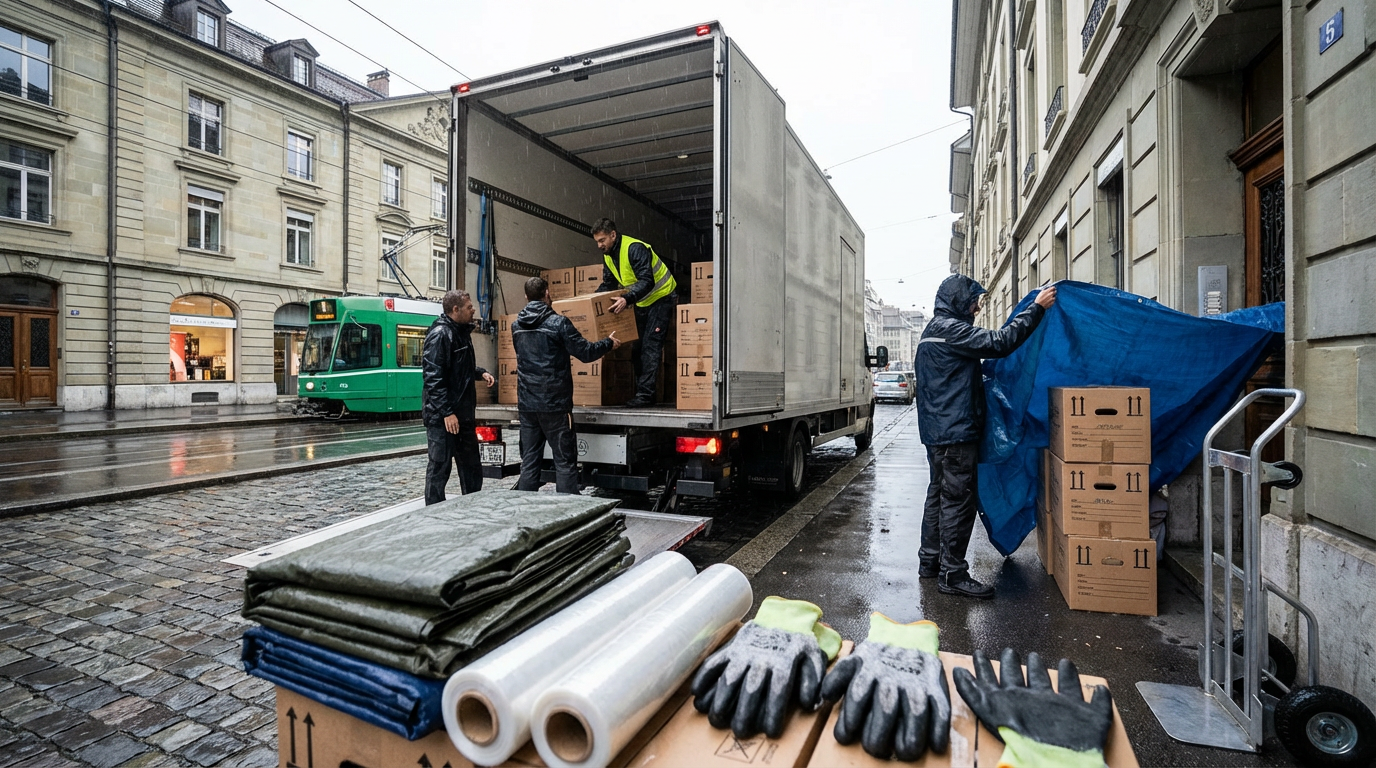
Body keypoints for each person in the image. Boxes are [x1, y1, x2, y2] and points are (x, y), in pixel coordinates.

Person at [916, 276, 1057, 599]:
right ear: (958, 302)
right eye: (974, 302)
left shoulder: (932, 332)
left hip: (938, 432)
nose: (978, 308)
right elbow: (1001, 342)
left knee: (938, 495)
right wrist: (1035, 309)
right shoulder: (951, 330)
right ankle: (952, 574)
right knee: (957, 501)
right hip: (955, 432)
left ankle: (930, 562)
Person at [512, 276, 622, 493]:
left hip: (527, 404)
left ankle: (524, 511)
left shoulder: (516, 326)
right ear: (547, 293)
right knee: (564, 461)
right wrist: (609, 343)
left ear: (526, 297)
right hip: (555, 404)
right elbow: (586, 352)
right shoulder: (558, 323)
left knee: (530, 462)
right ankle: (568, 510)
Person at [591, 218, 678, 407]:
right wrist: (590, 301)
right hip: (642, 300)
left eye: (602, 240)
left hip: (661, 297)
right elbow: (609, 284)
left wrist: (627, 299)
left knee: (650, 347)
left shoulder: (634, 248)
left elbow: (648, 280)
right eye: (597, 241)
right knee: (637, 348)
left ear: (613, 235)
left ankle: (645, 396)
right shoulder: (608, 255)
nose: (599, 245)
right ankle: (642, 392)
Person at [421, 290, 495, 505]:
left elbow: (460, 368)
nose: (473, 310)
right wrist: (447, 412)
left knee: (471, 466)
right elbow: (433, 377)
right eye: (469, 307)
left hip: (462, 414)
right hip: (444, 417)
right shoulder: (441, 334)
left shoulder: (459, 332)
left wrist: (479, 372)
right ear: (456, 310)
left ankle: (472, 507)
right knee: (440, 467)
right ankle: (434, 511)